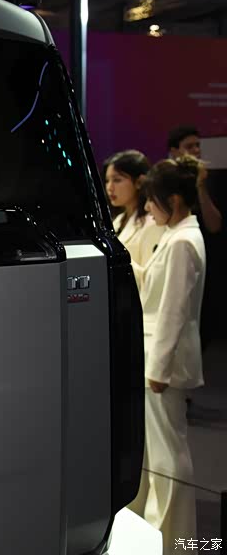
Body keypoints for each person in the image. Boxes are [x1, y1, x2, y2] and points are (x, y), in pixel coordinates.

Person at [128, 155, 206, 554]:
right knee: (157, 454)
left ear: (172, 200)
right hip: (156, 357)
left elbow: (174, 310)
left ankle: (174, 541)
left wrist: (158, 369)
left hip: (164, 364)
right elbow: (157, 290)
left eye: (151, 199)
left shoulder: (182, 241)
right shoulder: (177, 236)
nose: (146, 207)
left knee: (167, 457)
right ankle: (164, 535)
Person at [103, 150, 165, 267]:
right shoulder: (118, 220)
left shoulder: (152, 223)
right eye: (107, 181)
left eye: (117, 180)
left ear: (139, 182)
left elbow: (147, 275)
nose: (109, 187)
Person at [167, 125, 222, 234]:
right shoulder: (166, 181)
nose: (196, 150)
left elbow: (214, 226)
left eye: (197, 145)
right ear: (174, 152)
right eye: (189, 147)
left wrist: (201, 186)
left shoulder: (212, 179)